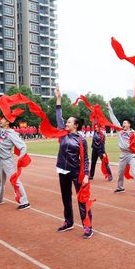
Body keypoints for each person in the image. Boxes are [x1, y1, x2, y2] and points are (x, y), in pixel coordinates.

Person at [54, 86, 93, 238]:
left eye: (69, 122)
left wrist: (86, 175)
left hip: (76, 172)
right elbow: (59, 117)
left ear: (76, 125)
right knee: (66, 198)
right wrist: (58, 99)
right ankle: (68, 222)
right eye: (67, 122)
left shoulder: (81, 140)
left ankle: (87, 226)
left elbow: (85, 159)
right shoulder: (63, 134)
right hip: (62, 170)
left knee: (82, 199)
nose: (66, 124)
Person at [0, 98, 30, 210]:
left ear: (7, 122)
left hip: (7, 159)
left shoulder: (12, 133)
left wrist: (21, 158)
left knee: (14, 180)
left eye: (3, 119)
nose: (0, 120)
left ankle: (24, 201)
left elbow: (23, 146)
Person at [108, 105, 135, 197]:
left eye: (125, 123)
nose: (123, 124)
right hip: (123, 155)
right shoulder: (120, 131)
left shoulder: (134, 134)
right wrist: (110, 110)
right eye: (122, 123)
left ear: (129, 125)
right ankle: (120, 187)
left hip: (131, 155)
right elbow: (114, 121)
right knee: (120, 172)